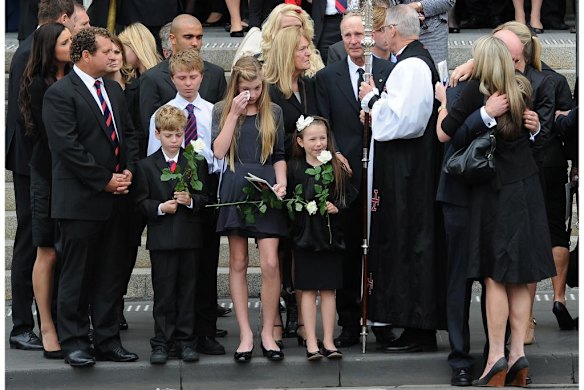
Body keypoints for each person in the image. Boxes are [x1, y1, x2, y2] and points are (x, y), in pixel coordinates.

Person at [435, 35, 556, 387]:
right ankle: (517, 354)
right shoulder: (522, 87)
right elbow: (532, 135)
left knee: (495, 276)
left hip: (496, 193)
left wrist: (473, 111)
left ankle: (495, 359)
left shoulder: (476, 90)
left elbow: (448, 136)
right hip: (526, 188)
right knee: (519, 276)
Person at [43, 26, 140, 368]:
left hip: (117, 200)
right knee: (77, 275)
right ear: (87, 56)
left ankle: (107, 340)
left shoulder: (113, 89)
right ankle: (74, 342)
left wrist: (128, 170)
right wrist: (104, 181)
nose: (113, 57)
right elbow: (67, 147)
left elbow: (128, 134)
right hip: (81, 201)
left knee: (111, 273)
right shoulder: (60, 94)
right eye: (107, 52)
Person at [358, 4, 445, 353]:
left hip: (410, 175)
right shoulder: (411, 61)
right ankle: (409, 322)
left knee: (411, 244)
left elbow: (404, 122)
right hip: (405, 170)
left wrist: (371, 100)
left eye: (382, 29)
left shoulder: (411, 65)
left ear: (394, 29)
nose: (379, 35)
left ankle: (418, 326)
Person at [315, 12, 393, 349]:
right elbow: (322, 124)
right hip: (343, 177)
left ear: (371, 36)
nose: (353, 41)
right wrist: (333, 157)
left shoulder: (389, 72)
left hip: (381, 172)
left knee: (381, 248)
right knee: (346, 252)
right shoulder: (326, 77)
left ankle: (382, 319)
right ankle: (348, 321)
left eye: (359, 34)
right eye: (347, 35)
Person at [6, 0, 75, 353]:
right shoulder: (30, 55)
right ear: (63, 20)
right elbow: (28, 117)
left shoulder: (42, 54)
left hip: (40, 162)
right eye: (75, 27)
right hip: (32, 162)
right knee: (31, 241)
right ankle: (22, 325)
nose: (77, 37)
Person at [212, 56, 287, 362]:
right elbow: (218, 151)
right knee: (239, 261)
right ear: (235, 86)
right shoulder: (221, 109)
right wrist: (233, 114)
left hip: (266, 187)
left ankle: (268, 332)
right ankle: (245, 334)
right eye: (246, 88)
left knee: (269, 263)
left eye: (256, 87)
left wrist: (281, 183)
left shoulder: (274, 111)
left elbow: (279, 153)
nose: (252, 94)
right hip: (234, 184)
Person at [134, 105, 209, 365]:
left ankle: (186, 340)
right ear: (157, 134)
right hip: (162, 239)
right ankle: (162, 342)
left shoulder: (194, 162)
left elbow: (205, 198)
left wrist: (190, 200)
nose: (174, 140)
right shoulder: (146, 166)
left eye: (178, 135)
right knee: (164, 291)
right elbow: (140, 202)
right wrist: (160, 207)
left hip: (189, 238)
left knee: (188, 290)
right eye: (169, 135)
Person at [264, 25, 322, 342]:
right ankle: (282, 311)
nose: (308, 53)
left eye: (309, 47)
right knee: (283, 247)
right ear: (287, 51)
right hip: (283, 177)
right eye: (301, 48)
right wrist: (300, 139)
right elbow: (270, 138)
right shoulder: (272, 91)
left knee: (302, 246)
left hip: (310, 179)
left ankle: (301, 316)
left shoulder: (311, 86)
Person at [287, 116, 350, 361]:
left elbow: (346, 196)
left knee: (328, 291)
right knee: (308, 290)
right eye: (312, 139)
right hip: (305, 236)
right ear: (300, 141)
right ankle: (311, 341)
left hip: (329, 237)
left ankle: (328, 340)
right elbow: (288, 201)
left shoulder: (335, 166)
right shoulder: (294, 168)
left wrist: (338, 208)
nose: (319, 143)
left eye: (323, 138)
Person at [140, 14, 227, 137]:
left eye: (199, 37)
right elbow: (149, 127)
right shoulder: (152, 78)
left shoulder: (215, 74)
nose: (195, 43)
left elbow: (222, 120)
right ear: (173, 39)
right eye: (188, 37)